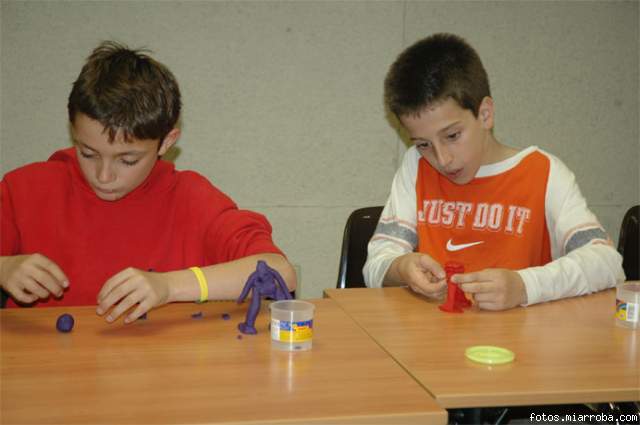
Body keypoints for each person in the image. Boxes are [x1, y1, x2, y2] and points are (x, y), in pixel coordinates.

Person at [0, 41, 296, 322]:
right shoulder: (23, 189)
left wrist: (169, 286)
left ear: (166, 142)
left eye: (127, 160)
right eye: (88, 153)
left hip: (157, 369)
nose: (104, 176)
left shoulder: (191, 199)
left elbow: (280, 272)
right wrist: (3, 267)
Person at [363, 33, 624, 310]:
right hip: (435, 343)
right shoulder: (416, 166)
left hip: (521, 344)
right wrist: (401, 267)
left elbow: (607, 263)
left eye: (452, 135)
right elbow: (375, 264)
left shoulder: (544, 172)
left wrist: (525, 286)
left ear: (485, 114)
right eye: (424, 144)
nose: (443, 159)